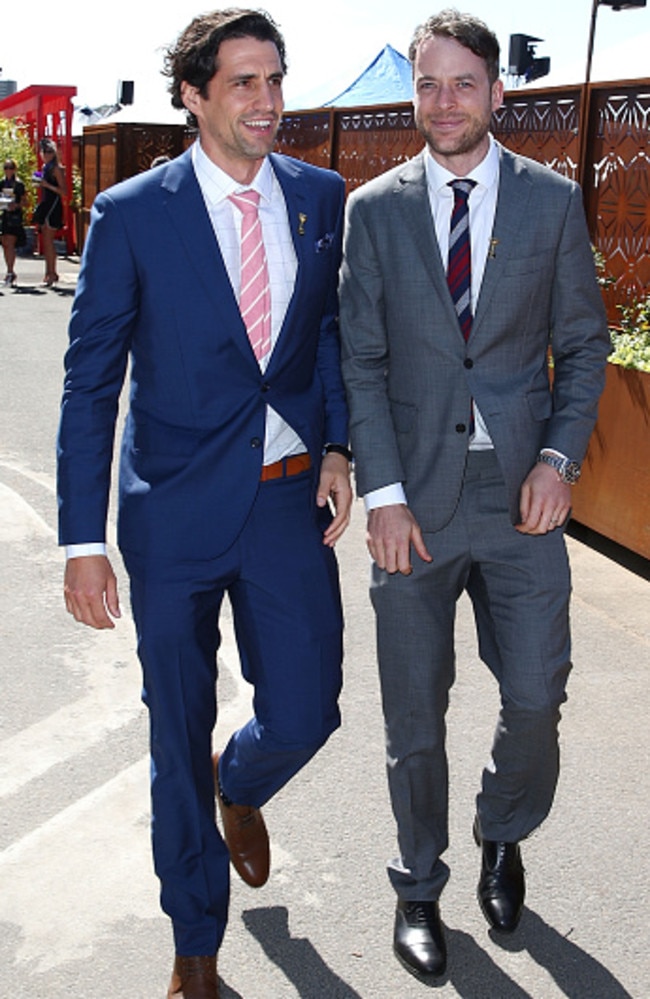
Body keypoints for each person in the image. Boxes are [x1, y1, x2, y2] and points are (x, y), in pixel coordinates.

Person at [57, 9, 352, 998]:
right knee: (172, 726)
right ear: (193, 95)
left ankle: (245, 780)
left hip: (282, 506)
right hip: (171, 514)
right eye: (244, 83)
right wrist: (79, 539)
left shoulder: (320, 195)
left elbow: (325, 336)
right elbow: (90, 382)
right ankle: (195, 947)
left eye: (276, 80)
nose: (269, 101)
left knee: (310, 708)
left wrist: (340, 443)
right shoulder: (133, 214)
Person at [339, 8, 610, 983]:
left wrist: (556, 461)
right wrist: (381, 491)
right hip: (410, 492)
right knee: (414, 709)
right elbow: (361, 361)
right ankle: (417, 882)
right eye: (426, 83)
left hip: (518, 496)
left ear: (497, 93)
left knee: (534, 695)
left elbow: (582, 346)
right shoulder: (371, 210)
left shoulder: (548, 202)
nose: (442, 101)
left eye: (461, 82)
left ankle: (503, 831)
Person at [32, 137, 65, 286]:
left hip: (54, 205)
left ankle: (52, 273)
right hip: (47, 203)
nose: (46, 154)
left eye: (49, 151)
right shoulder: (46, 168)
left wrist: (47, 185)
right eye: (44, 151)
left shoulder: (56, 168)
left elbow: (63, 191)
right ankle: (49, 272)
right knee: (45, 240)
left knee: (49, 240)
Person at [1, 158, 26, 286]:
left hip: (14, 216)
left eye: (10, 167)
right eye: (6, 167)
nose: (8, 170)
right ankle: (10, 271)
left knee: (10, 243)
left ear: (14, 169)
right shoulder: (2, 183)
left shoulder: (19, 184)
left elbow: (24, 201)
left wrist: (15, 205)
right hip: (4, 215)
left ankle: (10, 272)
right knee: (4, 243)